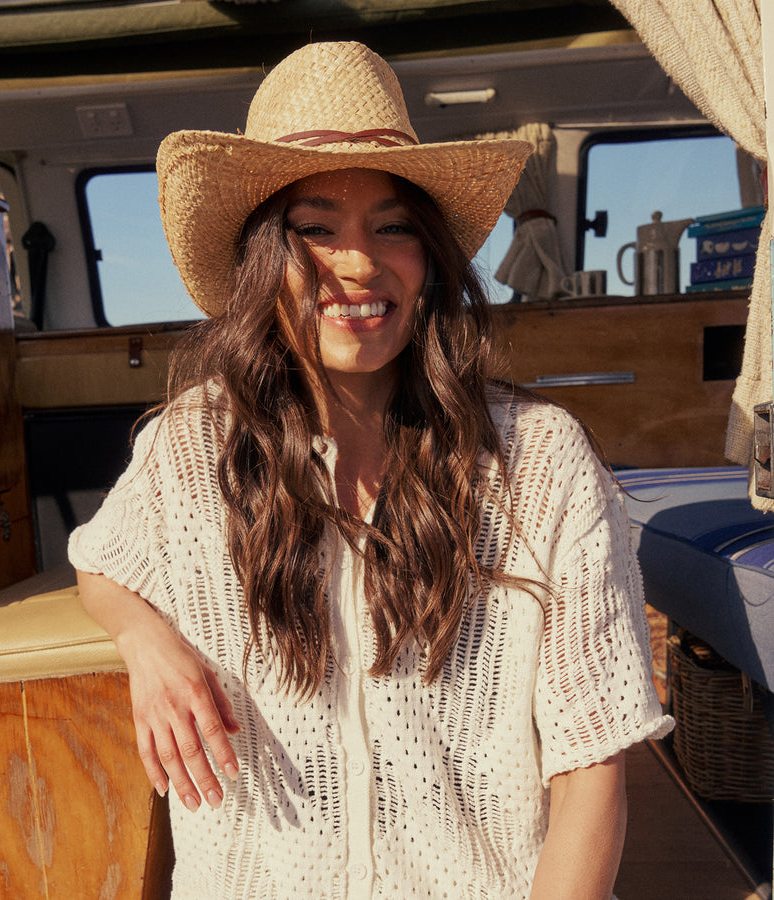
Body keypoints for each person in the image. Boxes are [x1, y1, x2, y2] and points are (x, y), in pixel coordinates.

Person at [69, 41, 672, 900]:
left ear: (430, 259)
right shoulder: (190, 442)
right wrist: (145, 638)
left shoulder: (540, 459)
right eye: (314, 229)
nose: (356, 263)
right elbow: (98, 559)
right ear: (261, 260)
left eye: (392, 227)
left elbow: (592, 768)